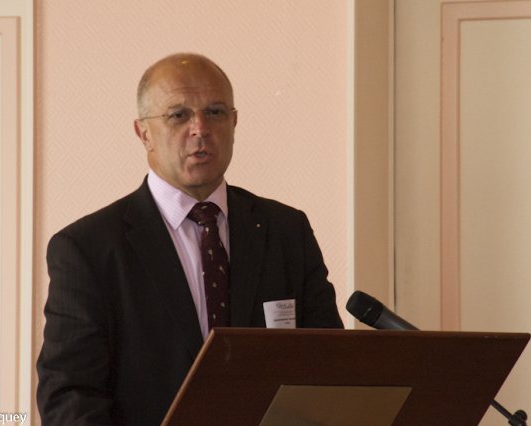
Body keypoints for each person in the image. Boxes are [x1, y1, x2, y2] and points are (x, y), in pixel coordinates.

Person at [36, 53, 343, 425]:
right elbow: (69, 397)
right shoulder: (88, 249)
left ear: (234, 122)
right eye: (178, 115)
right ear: (143, 133)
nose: (200, 128)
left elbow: (329, 368)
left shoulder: (286, 231)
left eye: (215, 112)